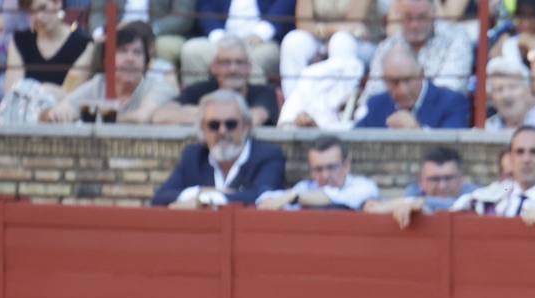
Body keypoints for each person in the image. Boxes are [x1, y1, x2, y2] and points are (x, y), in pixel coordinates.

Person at [151, 88, 287, 207]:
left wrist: (206, 200)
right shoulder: (194, 156)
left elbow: (263, 197)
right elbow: (160, 197)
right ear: (203, 129)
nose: (222, 131)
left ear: (246, 127)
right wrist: (203, 192)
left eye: (231, 124)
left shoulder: (267, 156)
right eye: (214, 125)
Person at [357, 0, 472, 119]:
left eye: (422, 17)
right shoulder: (387, 46)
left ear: (434, 13)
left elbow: (451, 91)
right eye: (408, 17)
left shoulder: (456, 40)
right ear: (399, 17)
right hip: (390, 121)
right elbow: (372, 95)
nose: (414, 24)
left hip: (438, 122)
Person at [45, 21, 175, 123]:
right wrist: (58, 115)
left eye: (137, 52)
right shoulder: (99, 84)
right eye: (123, 51)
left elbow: (141, 118)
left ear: (145, 62)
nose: (130, 59)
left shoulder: (158, 87)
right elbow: (63, 110)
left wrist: (93, 119)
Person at [450, 125, 535, 223]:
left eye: (534, 152)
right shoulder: (499, 192)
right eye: (520, 152)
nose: (526, 159)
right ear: (511, 159)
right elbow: (453, 214)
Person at [0, 0, 92, 122]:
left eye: (43, 8)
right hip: (22, 123)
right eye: (32, 11)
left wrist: (29, 90)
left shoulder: (84, 44)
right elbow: (12, 94)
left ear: (58, 3)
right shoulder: (20, 41)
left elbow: (69, 94)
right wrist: (46, 90)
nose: (39, 17)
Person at [152, 34, 280, 126]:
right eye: (226, 62)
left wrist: (199, 112)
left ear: (249, 68)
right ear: (214, 67)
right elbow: (160, 115)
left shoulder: (265, 92)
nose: (233, 69)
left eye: (239, 62)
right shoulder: (199, 89)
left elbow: (255, 119)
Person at [354, 44, 471, 128]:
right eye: (394, 82)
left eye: (408, 80)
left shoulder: (452, 102)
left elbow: (452, 151)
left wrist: (418, 132)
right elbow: (353, 142)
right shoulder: (377, 105)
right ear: (384, 81)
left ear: (422, 74)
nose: (402, 90)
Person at [180, 0, 294, 85]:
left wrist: (262, 32)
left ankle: (248, 111)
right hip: (222, 37)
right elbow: (206, 6)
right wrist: (218, 35)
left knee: (251, 61)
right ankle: (200, 107)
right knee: (192, 50)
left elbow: (285, 4)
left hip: (263, 40)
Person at [279, 0, 376, 98]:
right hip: (321, 37)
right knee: (293, 41)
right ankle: (294, 105)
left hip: (361, 43)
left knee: (340, 41)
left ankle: (340, 105)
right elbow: (303, 23)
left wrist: (322, 29)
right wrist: (328, 30)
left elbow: (353, 24)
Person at [257, 135, 379, 210]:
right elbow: (265, 198)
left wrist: (295, 198)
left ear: (346, 165)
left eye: (332, 167)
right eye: (318, 169)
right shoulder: (304, 188)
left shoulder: (365, 187)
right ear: (311, 170)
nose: (325, 175)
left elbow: (334, 197)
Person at [364, 145, 476, 226]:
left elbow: (456, 205)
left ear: (462, 178)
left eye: (448, 178)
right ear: (421, 182)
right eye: (434, 179)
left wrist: (413, 202)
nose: (442, 185)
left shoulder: (475, 195)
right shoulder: (413, 193)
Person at [88, 0, 195, 75]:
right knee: (93, 45)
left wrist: (151, 29)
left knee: (163, 47)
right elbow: (97, 12)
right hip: (118, 30)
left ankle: (157, 95)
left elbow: (183, 17)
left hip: (161, 32)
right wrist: (102, 31)